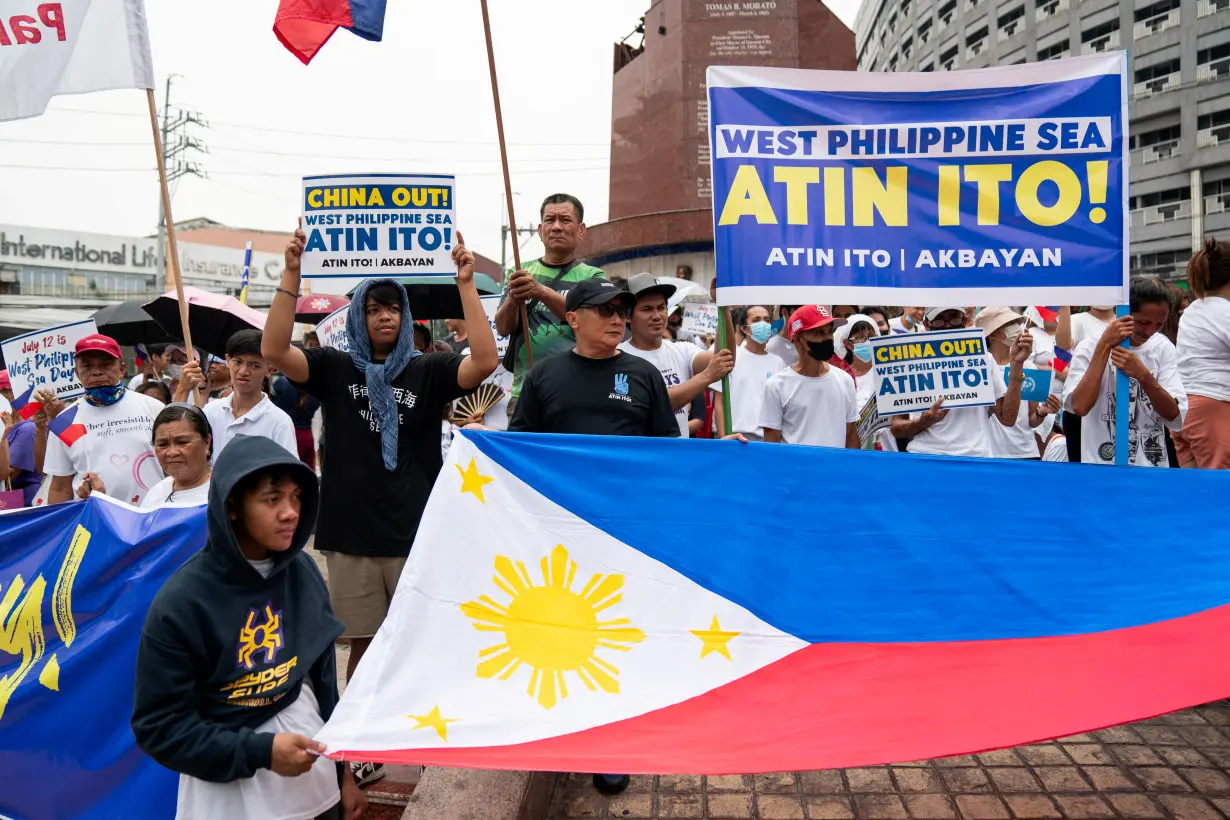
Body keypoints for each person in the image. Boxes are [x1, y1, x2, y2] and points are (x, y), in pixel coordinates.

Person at [264, 230, 497, 785]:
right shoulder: (332, 367)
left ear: (406, 314)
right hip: (351, 534)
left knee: (423, 639)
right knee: (364, 644)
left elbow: (485, 360)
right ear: (357, 317)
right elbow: (274, 351)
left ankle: (422, 736)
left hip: (418, 533)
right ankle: (362, 740)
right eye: (373, 308)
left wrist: (466, 285)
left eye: (393, 307)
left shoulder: (428, 369)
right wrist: (291, 276)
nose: (385, 316)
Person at [131, 436, 366, 820]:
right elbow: (159, 727)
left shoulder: (303, 573)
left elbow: (323, 681)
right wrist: (261, 751)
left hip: (315, 786)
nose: (290, 512)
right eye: (272, 499)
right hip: (232, 800)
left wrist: (344, 775)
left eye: (296, 497)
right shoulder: (182, 601)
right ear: (233, 507)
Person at [509, 278, 677, 437]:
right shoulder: (542, 374)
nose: (617, 320)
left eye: (622, 312)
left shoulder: (646, 374)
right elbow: (520, 442)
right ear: (573, 319)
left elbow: (667, 442)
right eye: (606, 311)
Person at [494, 193, 605, 406]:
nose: (556, 227)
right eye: (549, 220)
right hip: (525, 394)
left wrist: (541, 291)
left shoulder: (593, 277)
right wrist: (513, 300)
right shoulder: (519, 271)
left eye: (565, 220)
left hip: (577, 393)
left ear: (581, 230)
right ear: (540, 230)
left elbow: (593, 325)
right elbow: (502, 328)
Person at [1065, 278, 1187, 467]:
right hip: (1100, 464)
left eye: (1159, 324)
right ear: (1122, 313)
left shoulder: (1162, 348)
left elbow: (1173, 415)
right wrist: (1104, 346)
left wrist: (1143, 376)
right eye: (1143, 322)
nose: (1150, 331)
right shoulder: (1089, 347)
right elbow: (1079, 407)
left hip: (1150, 468)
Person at [889, 307, 1027, 458]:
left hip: (974, 458)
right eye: (940, 320)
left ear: (965, 321)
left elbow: (1007, 418)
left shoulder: (983, 359)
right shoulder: (909, 363)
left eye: (954, 318)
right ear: (927, 325)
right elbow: (896, 427)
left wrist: (1017, 365)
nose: (948, 326)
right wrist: (922, 422)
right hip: (926, 455)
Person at [46, 334, 165, 506]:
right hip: (95, 520)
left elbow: (172, 468)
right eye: (87, 366)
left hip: (151, 516)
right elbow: (60, 486)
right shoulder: (65, 421)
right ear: (77, 373)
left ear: (122, 369)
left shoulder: (154, 408)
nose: (96, 372)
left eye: (105, 364)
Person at [616, 273, 733, 437]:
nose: (657, 316)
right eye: (647, 309)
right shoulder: (617, 357)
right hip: (641, 457)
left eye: (661, 308)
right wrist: (707, 376)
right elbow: (654, 406)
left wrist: (723, 308)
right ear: (628, 316)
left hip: (678, 456)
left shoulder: (683, 350)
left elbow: (724, 359)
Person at [760, 305, 859, 448]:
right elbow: (771, 446)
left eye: (829, 331)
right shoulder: (776, 385)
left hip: (835, 469)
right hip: (795, 470)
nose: (827, 338)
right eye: (818, 332)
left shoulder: (845, 380)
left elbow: (851, 436)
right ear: (798, 341)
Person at [201, 330, 297, 464]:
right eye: (238, 362)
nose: (243, 371)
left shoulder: (279, 422)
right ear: (228, 360)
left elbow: (289, 473)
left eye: (255, 365)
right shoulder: (210, 412)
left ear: (270, 369)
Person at [975, 307, 1060, 459]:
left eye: (1016, 321)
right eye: (1010, 323)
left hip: (1026, 453)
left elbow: (1031, 421)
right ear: (993, 333)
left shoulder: (1028, 366)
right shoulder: (978, 368)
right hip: (989, 455)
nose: (1018, 327)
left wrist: (1042, 412)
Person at [1175, 238, 1230, 468]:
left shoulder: (1193, 310)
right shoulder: (1224, 311)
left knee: (1195, 491)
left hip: (1183, 411)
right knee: (1220, 489)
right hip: (1213, 407)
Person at [712, 305, 788, 439]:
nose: (763, 324)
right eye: (756, 320)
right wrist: (723, 439)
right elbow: (719, 402)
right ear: (743, 328)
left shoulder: (779, 363)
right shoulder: (732, 357)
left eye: (767, 320)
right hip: (736, 438)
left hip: (766, 440)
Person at [137, 404, 214, 507]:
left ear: (206, 443)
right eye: (162, 444)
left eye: (182, 442)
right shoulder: (156, 494)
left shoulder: (225, 495)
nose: (172, 452)